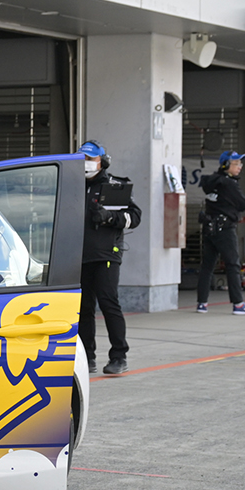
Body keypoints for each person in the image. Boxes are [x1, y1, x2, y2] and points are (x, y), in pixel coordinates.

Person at [79, 140, 141, 375]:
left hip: (106, 255)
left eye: (90, 160)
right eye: (82, 159)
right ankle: (87, 356)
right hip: (79, 256)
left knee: (108, 303)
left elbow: (134, 217)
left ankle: (119, 356)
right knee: (83, 309)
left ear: (102, 162)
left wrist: (108, 217)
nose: (86, 164)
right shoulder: (71, 185)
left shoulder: (114, 186)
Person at [196, 150, 245, 316]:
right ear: (225, 165)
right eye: (236, 163)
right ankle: (238, 304)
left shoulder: (211, 181)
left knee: (207, 266)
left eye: (240, 163)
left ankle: (202, 303)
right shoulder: (228, 183)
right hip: (225, 229)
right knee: (233, 264)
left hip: (209, 228)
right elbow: (243, 203)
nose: (240, 166)